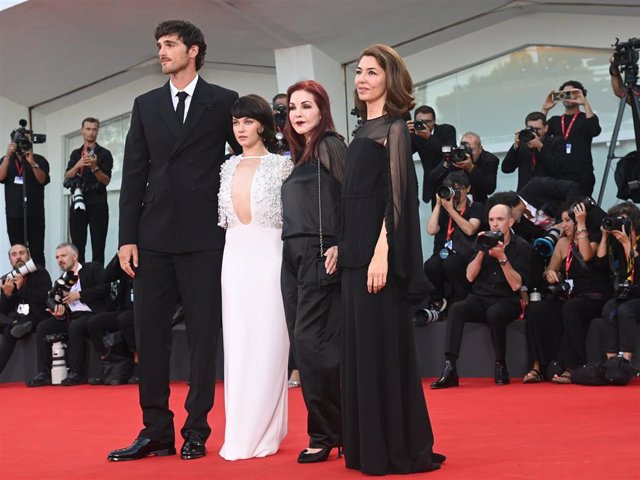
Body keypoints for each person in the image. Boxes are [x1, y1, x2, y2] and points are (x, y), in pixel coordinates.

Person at [108, 20, 240, 462]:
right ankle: (155, 430)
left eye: (169, 45)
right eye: (158, 45)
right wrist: (127, 237)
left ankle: (196, 429)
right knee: (150, 334)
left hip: (206, 236)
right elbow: (133, 174)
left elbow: (242, 161)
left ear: (194, 50)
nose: (161, 52)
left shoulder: (223, 101)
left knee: (204, 336)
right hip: (153, 237)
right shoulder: (145, 104)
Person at [340, 44, 445, 475]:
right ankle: (369, 445)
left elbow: (398, 200)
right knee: (360, 349)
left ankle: (395, 445)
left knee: (381, 347)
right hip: (352, 253)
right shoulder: (361, 132)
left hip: (376, 255)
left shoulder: (395, 128)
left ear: (390, 79)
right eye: (359, 72)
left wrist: (381, 252)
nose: (362, 78)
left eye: (372, 72)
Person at [217, 94, 292, 460]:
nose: (241, 128)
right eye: (235, 122)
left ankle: (265, 430)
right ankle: (240, 430)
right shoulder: (227, 167)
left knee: (270, 343)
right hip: (234, 262)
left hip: (271, 260)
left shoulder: (281, 167)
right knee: (238, 344)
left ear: (262, 124)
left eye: (247, 121)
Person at [281, 80, 345, 464]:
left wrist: (343, 243)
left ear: (322, 109)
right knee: (307, 348)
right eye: (292, 107)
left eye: (306, 105)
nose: (298, 113)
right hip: (292, 256)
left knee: (312, 346)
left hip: (321, 251)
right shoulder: (300, 154)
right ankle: (333, 430)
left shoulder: (330, 145)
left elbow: (356, 196)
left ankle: (327, 433)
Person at [431, 204, 532, 389]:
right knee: (457, 309)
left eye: (500, 220)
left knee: (495, 313)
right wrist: (481, 250)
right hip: (481, 298)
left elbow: (516, 284)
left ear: (510, 222)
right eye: (492, 220)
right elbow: (469, 276)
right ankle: (449, 367)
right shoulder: (480, 243)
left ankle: (501, 365)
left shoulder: (522, 247)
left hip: (507, 300)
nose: (495, 225)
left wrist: (502, 258)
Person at [522, 203, 612, 383]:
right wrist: (550, 274)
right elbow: (549, 270)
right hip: (569, 295)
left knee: (572, 308)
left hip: (594, 296)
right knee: (536, 310)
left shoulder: (594, 238)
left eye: (567, 221)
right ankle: (538, 367)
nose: (563, 225)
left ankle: (573, 367)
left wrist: (581, 224)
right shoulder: (563, 243)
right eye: (562, 221)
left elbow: (586, 256)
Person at [26, 243, 110, 387]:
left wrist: (79, 295)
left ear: (75, 256)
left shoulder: (92, 268)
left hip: (92, 313)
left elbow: (105, 288)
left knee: (76, 326)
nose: (60, 260)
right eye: (57, 257)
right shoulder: (60, 281)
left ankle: (76, 373)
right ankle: (42, 373)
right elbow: (59, 304)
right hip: (71, 316)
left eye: (63, 256)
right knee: (43, 327)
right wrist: (59, 313)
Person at [422, 170, 482, 313]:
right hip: (443, 252)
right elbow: (431, 230)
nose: (454, 193)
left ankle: (460, 298)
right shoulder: (444, 207)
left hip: (464, 252)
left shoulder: (476, 207)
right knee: (430, 265)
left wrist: (451, 211)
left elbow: (470, 229)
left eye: (458, 189)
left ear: (467, 189)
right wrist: (438, 205)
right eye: (451, 188)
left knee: (451, 263)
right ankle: (438, 299)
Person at [64, 117, 114, 265]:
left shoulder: (104, 154)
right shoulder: (75, 153)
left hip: (98, 202)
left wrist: (94, 166)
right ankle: (80, 282)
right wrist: (79, 164)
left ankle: (98, 284)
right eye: (88, 129)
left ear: (97, 131)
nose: (91, 132)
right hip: (79, 202)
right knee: (77, 247)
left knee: (98, 246)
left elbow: (106, 181)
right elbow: (67, 176)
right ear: (82, 131)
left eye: (94, 129)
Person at [597, 202, 640, 364]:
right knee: (609, 308)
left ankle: (626, 361)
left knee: (625, 310)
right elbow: (600, 263)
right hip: (627, 293)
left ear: (634, 223)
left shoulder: (630, 243)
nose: (619, 224)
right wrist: (604, 236)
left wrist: (628, 245)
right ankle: (612, 360)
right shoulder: (616, 243)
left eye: (623, 221)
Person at [541, 80, 601, 195]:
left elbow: (595, 131)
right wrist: (545, 109)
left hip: (581, 173)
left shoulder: (586, 118)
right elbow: (539, 134)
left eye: (570, 93)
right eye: (564, 94)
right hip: (558, 173)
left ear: (579, 95)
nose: (567, 97)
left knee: (580, 207)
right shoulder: (555, 121)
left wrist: (585, 103)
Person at [0, 244, 51, 375]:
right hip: (15, 316)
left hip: (37, 314)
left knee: (13, 328)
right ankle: (19, 326)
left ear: (28, 254)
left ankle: (22, 326)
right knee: (11, 322)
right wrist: (7, 294)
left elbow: (42, 299)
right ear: (9, 258)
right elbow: (4, 308)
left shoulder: (41, 273)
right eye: (14, 254)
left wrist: (22, 287)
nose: (18, 257)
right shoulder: (8, 278)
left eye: (22, 253)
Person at [0, 135, 50, 266]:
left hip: (35, 213)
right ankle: (20, 284)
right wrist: (7, 155)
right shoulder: (7, 160)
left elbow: (42, 180)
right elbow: (0, 177)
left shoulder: (39, 159)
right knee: (17, 253)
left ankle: (40, 284)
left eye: (25, 141)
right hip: (14, 214)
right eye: (19, 142)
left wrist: (32, 162)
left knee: (37, 251)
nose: (22, 144)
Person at [86, 253, 135, 385]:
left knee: (125, 319)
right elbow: (106, 277)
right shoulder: (125, 262)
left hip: (145, 311)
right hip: (124, 308)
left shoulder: (151, 259)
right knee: (95, 322)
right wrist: (118, 256)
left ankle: (137, 363)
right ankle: (107, 363)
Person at [501, 111, 565, 191]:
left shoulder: (557, 142)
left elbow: (556, 168)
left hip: (548, 193)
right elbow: (506, 169)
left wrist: (540, 147)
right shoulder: (522, 144)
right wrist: (515, 147)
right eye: (531, 129)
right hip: (525, 194)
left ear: (546, 128)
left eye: (537, 129)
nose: (534, 132)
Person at [428, 131, 498, 205]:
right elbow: (432, 180)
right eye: (465, 150)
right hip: (454, 202)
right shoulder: (455, 156)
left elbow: (489, 188)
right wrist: (446, 163)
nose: (468, 153)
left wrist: (471, 168)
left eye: (472, 150)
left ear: (480, 149)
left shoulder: (489, 159)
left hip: (478, 204)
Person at [407, 105, 457, 202]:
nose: (425, 125)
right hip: (432, 184)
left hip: (450, 182)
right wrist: (404, 135)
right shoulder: (415, 136)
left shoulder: (447, 130)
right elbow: (405, 153)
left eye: (428, 121)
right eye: (421, 122)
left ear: (434, 121)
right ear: (414, 122)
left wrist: (429, 137)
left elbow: (451, 152)